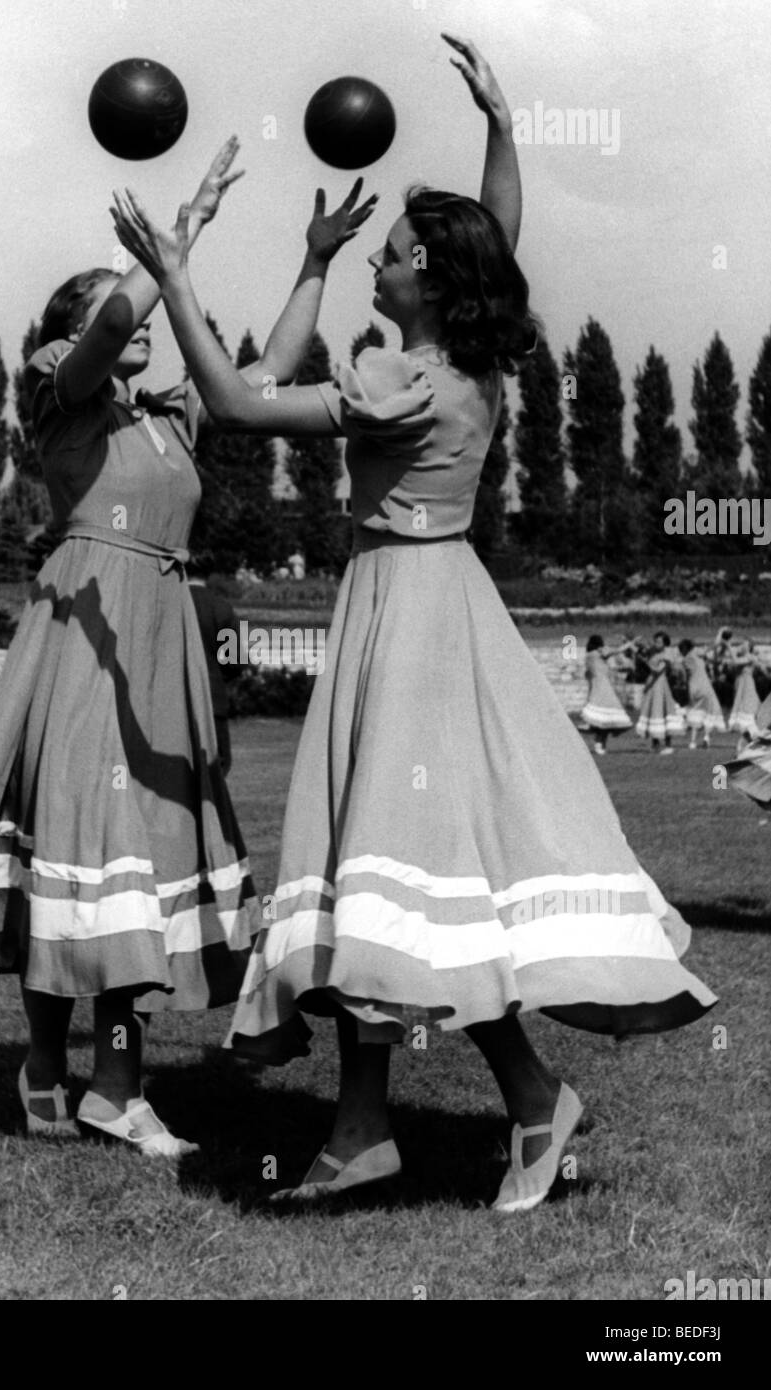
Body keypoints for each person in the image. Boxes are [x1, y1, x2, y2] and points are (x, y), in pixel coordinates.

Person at [111, 35, 716, 1210]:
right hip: (443, 607)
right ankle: (359, 1127)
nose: (376, 262)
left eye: (387, 255)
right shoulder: (475, 363)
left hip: (403, 618)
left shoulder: (399, 382)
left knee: (387, 871)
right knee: (385, 882)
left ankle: (526, 1104)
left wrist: (175, 273)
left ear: (426, 281)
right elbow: (496, 240)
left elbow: (232, 403)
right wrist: (498, 132)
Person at [0, 140, 377, 1155]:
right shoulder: (60, 392)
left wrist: (313, 260)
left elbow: (269, 370)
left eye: (139, 294)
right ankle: (89, 1076)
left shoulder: (169, 416)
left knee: (118, 866)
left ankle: (81, 1076)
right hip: (81, 640)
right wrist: (176, 235)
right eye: (119, 298)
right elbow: (111, 323)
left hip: (159, 640)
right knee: (91, 848)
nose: (139, 317)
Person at [187, 561, 244, 774]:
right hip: (213, 698)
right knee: (217, 768)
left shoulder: (168, 605)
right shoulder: (220, 607)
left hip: (174, 700)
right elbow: (235, 661)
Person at [580, 634, 633, 755]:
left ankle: (600, 742)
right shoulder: (598, 652)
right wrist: (628, 644)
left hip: (596, 685)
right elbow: (615, 651)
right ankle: (600, 743)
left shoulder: (588, 656)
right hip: (603, 686)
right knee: (606, 718)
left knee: (603, 718)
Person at [636, 632, 684, 753]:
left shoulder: (667, 655)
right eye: (655, 641)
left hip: (660, 686)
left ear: (665, 644)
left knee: (663, 713)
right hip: (652, 686)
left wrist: (645, 661)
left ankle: (668, 744)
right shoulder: (654, 652)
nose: (656, 644)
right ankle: (655, 743)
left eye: (659, 642)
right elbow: (643, 649)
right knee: (653, 713)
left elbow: (657, 670)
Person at [678, 638, 726, 750]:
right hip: (705, 687)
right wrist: (719, 639)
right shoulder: (694, 655)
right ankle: (706, 737)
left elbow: (685, 678)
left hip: (693, 688)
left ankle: (692, 742)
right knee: (710, 712)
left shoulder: (686, 660)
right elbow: (708, 649)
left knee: (696, 713)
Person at [727, 639, 766, 755]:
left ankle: (744, 749)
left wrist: (728, 646)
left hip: (747, 689)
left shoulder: (750, 657)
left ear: (749, 647)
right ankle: (744, 749)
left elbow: (735, 661)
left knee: (749, 717)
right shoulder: (745, 656)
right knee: (748, 721)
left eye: (744, 643)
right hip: (741, 689)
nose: (741, 645)